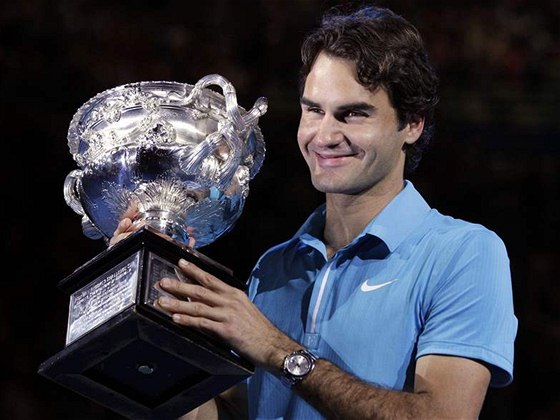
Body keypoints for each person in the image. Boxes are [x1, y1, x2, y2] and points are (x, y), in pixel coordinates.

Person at [112, 4, 517, 419]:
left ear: (412, 123)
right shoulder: (274, 268)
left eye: (353, 114)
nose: (324, 135)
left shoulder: (464, 253)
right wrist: (147, 292)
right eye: (314, 110)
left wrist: (274, 348)